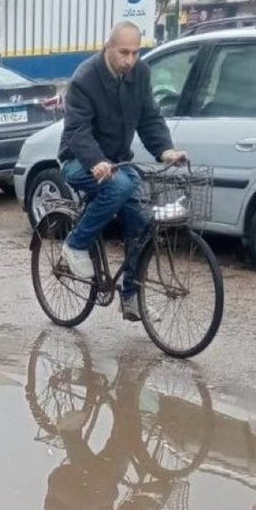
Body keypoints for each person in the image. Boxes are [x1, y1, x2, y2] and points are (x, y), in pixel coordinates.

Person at [58, 21, 188, 322]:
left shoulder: (140, 74)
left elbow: (150, 117)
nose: (130, 60)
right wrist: (95, 161)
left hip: (117, 161)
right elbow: (77, 130)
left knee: (142, 222)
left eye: (135, 52)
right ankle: (75, 245)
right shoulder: (84, 78)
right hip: (78, 160)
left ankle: (131, 298)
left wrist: (165, 150)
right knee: (119, 186)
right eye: (124, 52)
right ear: (109, 47)